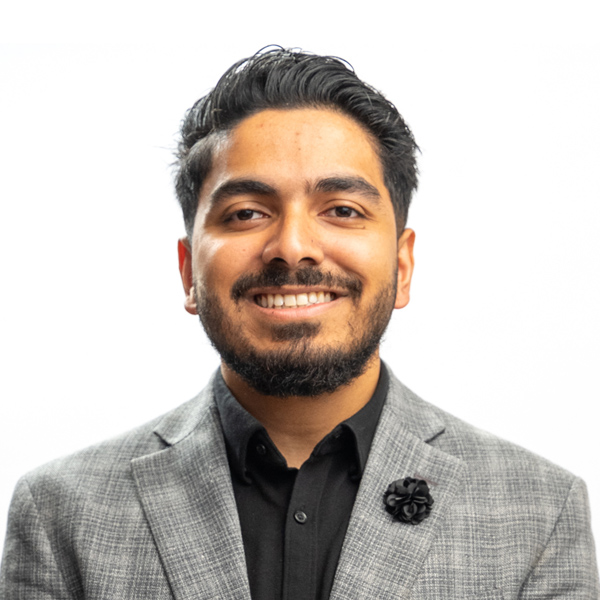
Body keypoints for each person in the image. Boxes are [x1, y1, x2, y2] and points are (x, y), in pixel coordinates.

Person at [0, 47, 598, 599]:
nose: (292, 247)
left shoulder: (540, 516)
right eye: (246, 213)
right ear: (188, 271)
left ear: (402, 265)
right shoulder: (61, 516)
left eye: (341, 210)